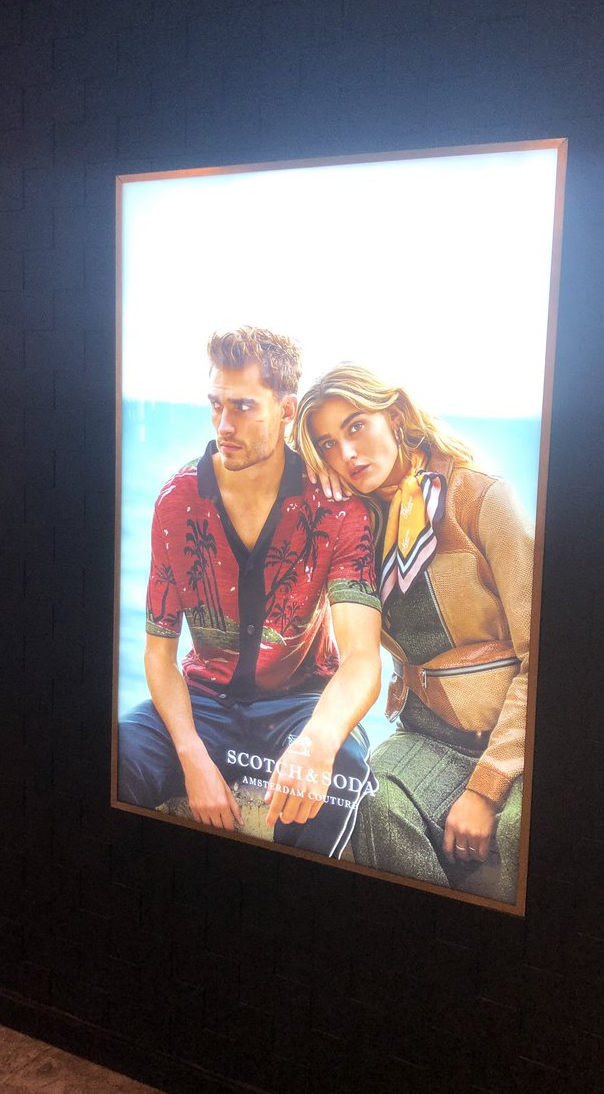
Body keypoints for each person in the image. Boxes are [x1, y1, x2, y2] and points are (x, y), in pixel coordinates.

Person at [117, 329, 382, 860]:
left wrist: (318, 740)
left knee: (342, 772)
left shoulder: (335, 510)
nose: (223, 424)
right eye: (216, 404)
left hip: (300, 705)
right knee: (113, 751)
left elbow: (362, 658)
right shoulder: (177, 502)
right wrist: (191, 755)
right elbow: (159, 653)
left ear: (286, 410)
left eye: (242, 407)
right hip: (202, 701)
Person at [294, 364, 532, 895]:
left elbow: (543, 659)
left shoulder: (482, 500)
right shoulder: (355, 526)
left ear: (395, 416)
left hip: (513, 739)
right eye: (327, 445)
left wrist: (486, 788)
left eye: (356, 426)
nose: (347, 454)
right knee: (369, 801)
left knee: (520, 828)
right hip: (425, 734)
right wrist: (307, 483)